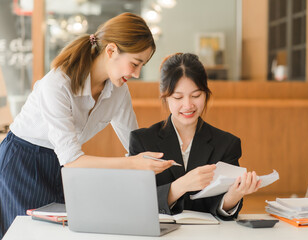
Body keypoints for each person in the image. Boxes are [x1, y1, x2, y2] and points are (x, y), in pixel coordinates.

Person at [0, 12, 174, 238]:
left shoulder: (118, 90)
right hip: (23, 161)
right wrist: (133, 164)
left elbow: (134, 143)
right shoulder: (57, 84)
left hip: (61, 165)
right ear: (111, 50)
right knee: (33, 235)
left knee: (67, 233)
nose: (137, 73)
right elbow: (73, 160)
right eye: (135, 63)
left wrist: (160, 170)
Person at [129, 53, 260, 220]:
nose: (188, 105)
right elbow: (136, 202)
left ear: (206, 94)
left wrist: (234, 196)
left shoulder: (227, 143)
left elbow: (220, 207)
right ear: (165, 96)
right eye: (178, 97)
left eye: (196, 96)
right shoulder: (142, 141)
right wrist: (181, 186)